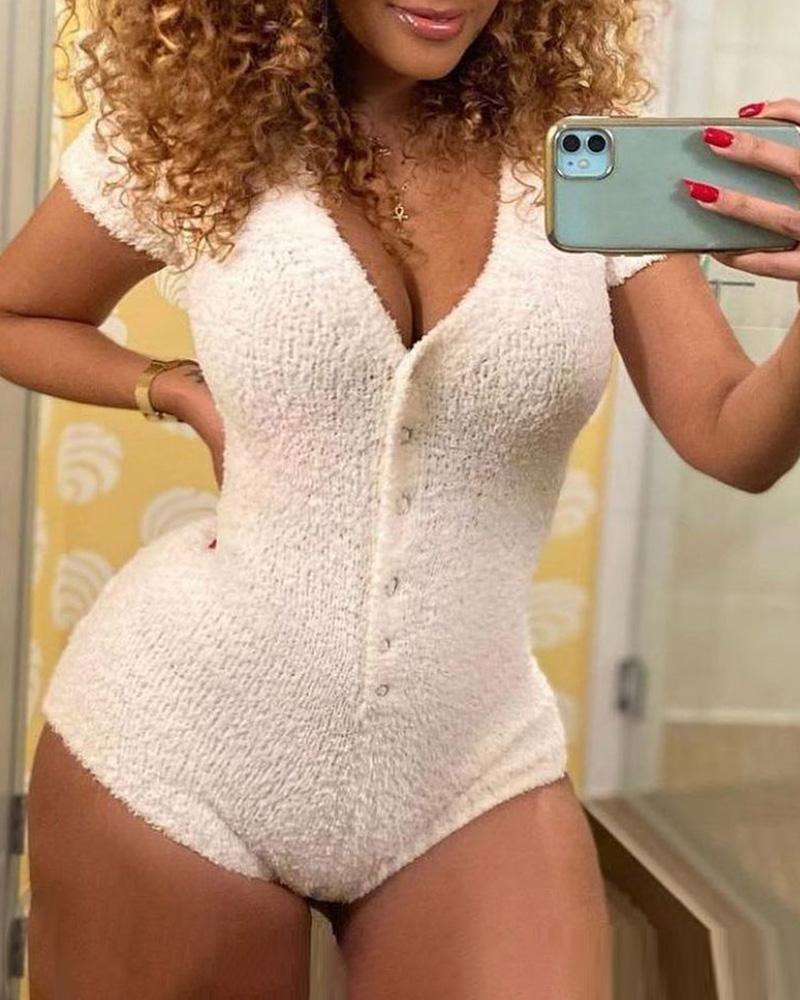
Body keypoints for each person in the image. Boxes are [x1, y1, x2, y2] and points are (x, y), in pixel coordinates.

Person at [2, 0, 798, 993]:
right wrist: (171, 388)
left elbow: (730, 436)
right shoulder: (196, 131)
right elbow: (16, 310)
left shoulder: (578, 159)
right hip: (178, 752)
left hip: (470, 768)